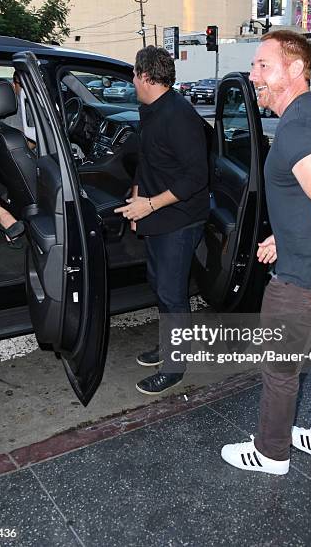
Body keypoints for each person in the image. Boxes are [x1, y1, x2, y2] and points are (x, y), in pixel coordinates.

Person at [221, 30, 311, 475]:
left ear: (296, 69)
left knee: (279, 372)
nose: (253, 76)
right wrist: (284, 235)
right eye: (253, 67)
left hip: (309, 281)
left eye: (264, 66)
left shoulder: (299, 127)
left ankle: (270, 452)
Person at [114, 46, 209, 395]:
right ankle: (169, 345)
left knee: (172, 294)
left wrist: (149, 206)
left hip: (180, 219)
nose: (132, 82)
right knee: (159, 285)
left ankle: (175, 366)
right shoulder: (150, 110)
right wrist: (138, 198)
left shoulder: (179, 115)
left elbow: (194, 178)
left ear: (145, 75)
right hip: (156, 213)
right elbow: (147, 160)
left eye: (134, 75)